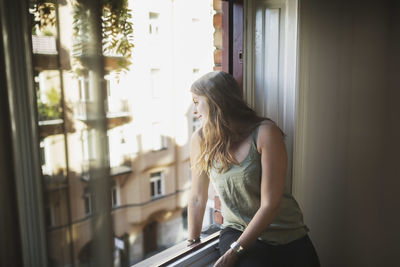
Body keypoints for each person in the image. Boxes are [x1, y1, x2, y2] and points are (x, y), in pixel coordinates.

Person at [187, 71, 320, 267]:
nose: (194, 110)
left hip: (286, 232)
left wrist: (233, 253)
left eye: (196, 101)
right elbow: (197, 197)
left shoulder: (265, 133)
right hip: (237, 230)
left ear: (215, 101)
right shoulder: (200, 140)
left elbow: (270, 205)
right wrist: (192, 243)